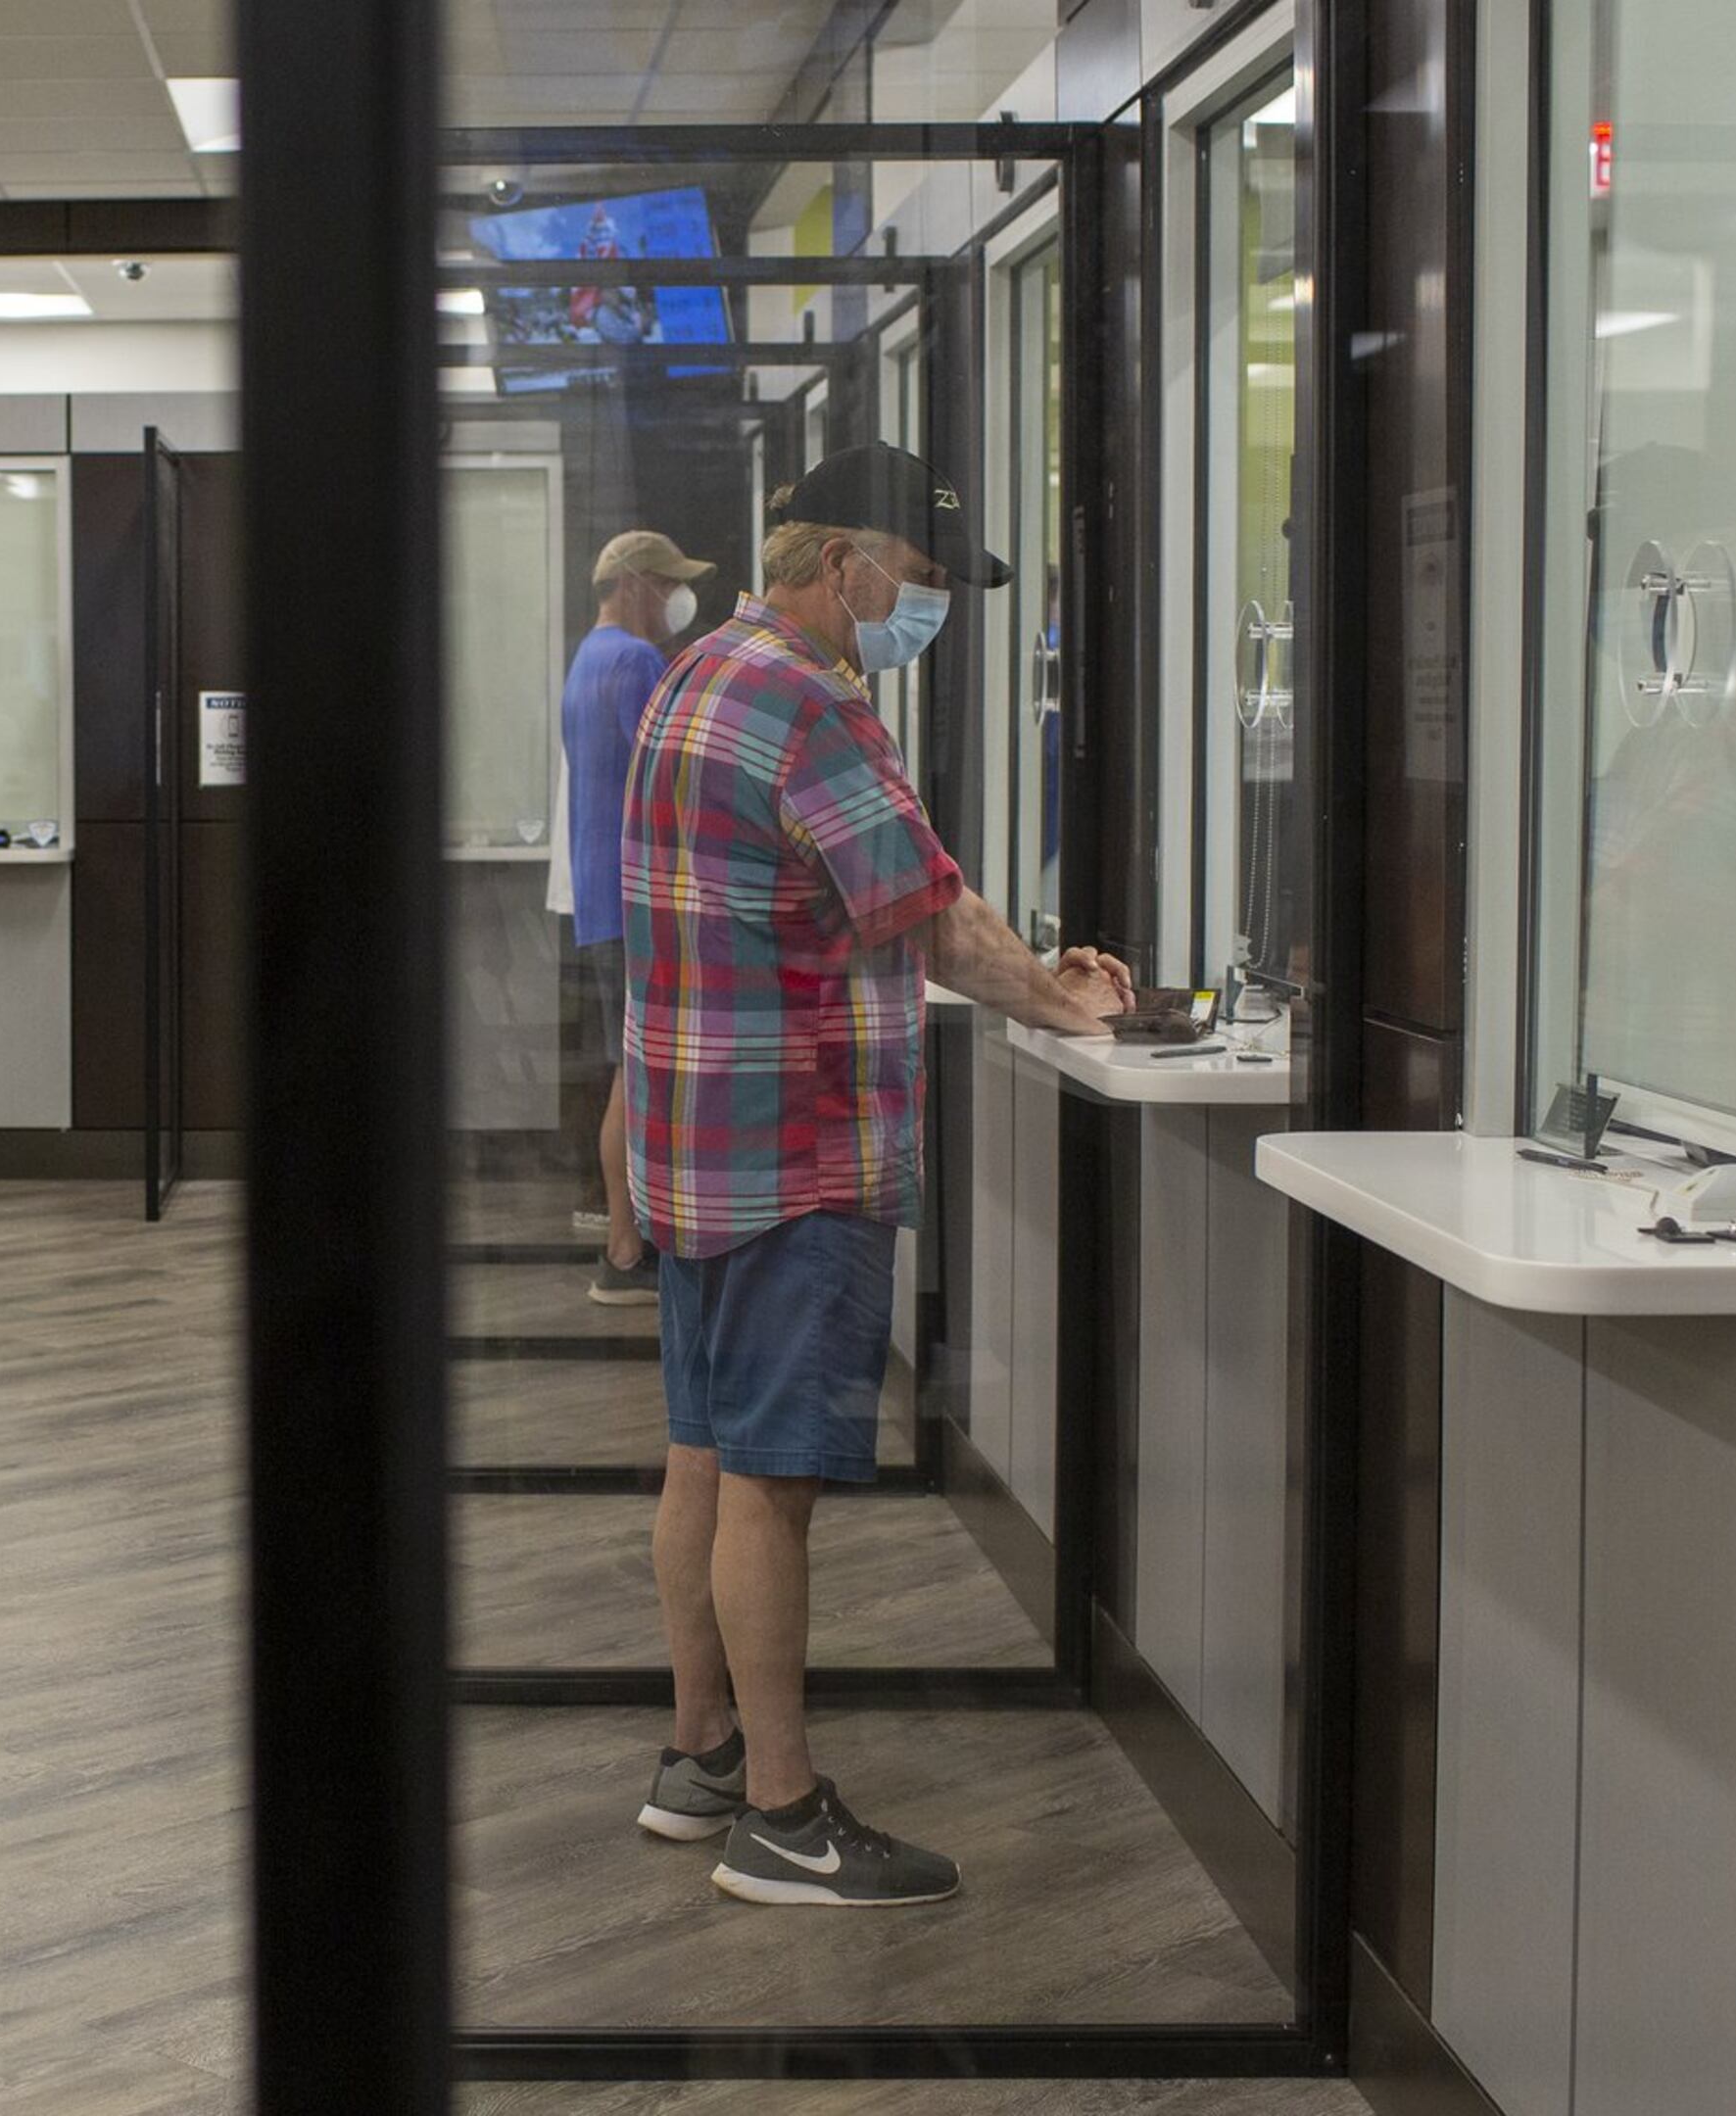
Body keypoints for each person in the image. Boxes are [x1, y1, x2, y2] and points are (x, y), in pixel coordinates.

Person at [621, 446, 1133, 1907]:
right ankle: (783, 1821)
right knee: (773, 1487)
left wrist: (1029, 960)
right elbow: (930, 919)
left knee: (705, 1452)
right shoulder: (809, 702)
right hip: (800, 1147)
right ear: (838, 564)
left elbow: (889, 886)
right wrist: (1069, 1001)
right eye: (914, 579)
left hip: (698, 1141)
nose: (923, 608)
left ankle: (702, 1755)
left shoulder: (703, 670)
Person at [562, 529, 711, 1309]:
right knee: (636, 1072)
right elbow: (676, 781)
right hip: (637, 900)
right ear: (631, 583)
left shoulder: (587, 660)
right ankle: (625, 1248)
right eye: (665, 582)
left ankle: (628, 1240)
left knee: (630, 1067)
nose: (675, 599)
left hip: (601, 898)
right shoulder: (635, 663)